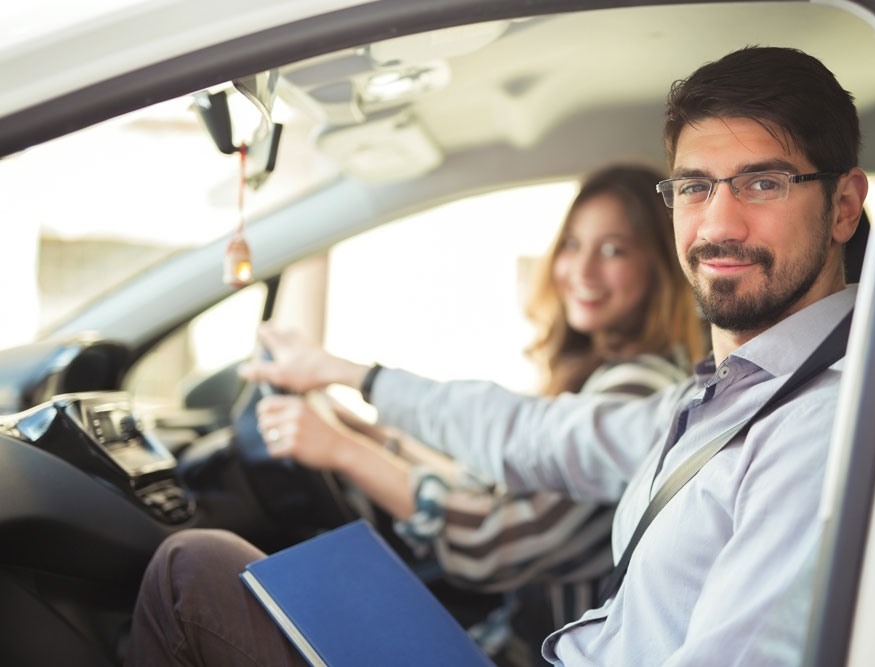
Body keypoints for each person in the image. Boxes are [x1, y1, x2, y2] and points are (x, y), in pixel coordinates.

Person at [126, 45, 867, 666]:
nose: (719, 222)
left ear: (842, 206)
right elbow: (530, 435)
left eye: (763, 183)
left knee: (192, 573)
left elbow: (501, 541)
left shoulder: (820, 423)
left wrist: (348, 443)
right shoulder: (727, 392)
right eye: (696, 187)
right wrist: (355, 379)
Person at [250, 163, 706, 665]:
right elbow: (486, 481)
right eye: (573, 244)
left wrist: (342, 450)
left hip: (527, 656)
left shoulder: (637, 390)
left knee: (206, 566)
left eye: (614, 249)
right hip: (503, 641)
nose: (581, 270)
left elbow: (491, 543)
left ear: (660, 266)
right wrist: (367, 433)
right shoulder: (607, 373)